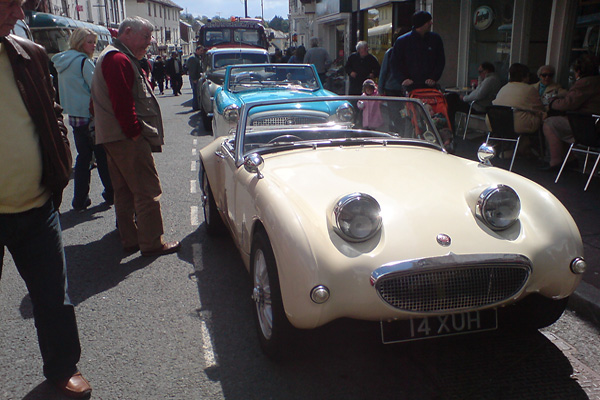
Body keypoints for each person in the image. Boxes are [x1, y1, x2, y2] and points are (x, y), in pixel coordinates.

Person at [0, 1, 92, 397]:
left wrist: (61, 162)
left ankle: (61, 367)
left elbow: (52, 111)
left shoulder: (30, 54)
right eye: (6, 4)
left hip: (37, 204)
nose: (17, 14)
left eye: (19, 4)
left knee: (53, 297)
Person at [91, 16, 181, 257]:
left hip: (112, 136)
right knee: (147, 190)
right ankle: (152, 242)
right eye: (146, 37)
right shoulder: (119, 59)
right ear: (127, 32)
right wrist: (133, 133)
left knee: (124, 191)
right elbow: (122, 102)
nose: (149, 43)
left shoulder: (113, 56)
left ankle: (130, 240)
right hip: (125, 137)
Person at [52, 28, 114, 212]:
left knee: (83, 158)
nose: (93, 45)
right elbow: (98, 88)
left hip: (74, 116)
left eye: (94, 42)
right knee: (101, 156)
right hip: (91, 116)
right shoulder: (83, 62)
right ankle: (110, 193)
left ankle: (79, 199)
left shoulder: (62, 62)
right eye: (90, 42)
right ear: (80, 42)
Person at [541, 55, 600, 171]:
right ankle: (570, 159)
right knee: (559, 124)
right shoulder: (596, 82)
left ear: (578, 71)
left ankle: (556, 161)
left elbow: (568, 104)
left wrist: (552, 102)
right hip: (594, 124)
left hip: (587, 127)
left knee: (549, 123)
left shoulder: (585, 83)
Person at [391, 10, 445, 93]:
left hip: (429, 86)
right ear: (421, 23)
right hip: (410, 87)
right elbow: (395, 63)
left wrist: (434, 77)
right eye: (428, 21)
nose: (431, 23)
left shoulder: (435, 39)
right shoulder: (402, 41)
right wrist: (403, 79)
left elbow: (440, 60)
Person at [445, 61, 502, 132]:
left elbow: (479, 94)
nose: (479, 74)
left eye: (480, 71)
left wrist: (465, 98)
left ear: (486, 71)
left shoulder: (490, 80)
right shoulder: (489, 79)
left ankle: (450, 128)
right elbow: (478, 91)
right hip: (476, 104)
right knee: (452, 97)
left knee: (451, 103)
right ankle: (450, 127)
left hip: (478, 107)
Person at [493, 63, 545, 134]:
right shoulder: (529, 89)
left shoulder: (504, 88)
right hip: (517, 124)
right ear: (525, 76)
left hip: (495, 122)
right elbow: (539, 108)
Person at [378, 30, 404, 97]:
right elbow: (383, 71)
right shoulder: (390, 52)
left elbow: (383, 71)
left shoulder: (390, 52)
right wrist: (380, 89)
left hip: (392, 87)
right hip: (393, 88)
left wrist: (380, 89)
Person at [186, 45, 204, 110]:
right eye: (201, 51)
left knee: (197, 92)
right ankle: (195, 107)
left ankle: (197, 106)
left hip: (197, 77)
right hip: (195, 78)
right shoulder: (193, 58)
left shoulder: (198, 57)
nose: (202, 52)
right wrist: (194, 79)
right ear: (197, 50)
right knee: (195, 93)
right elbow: (192, 70)